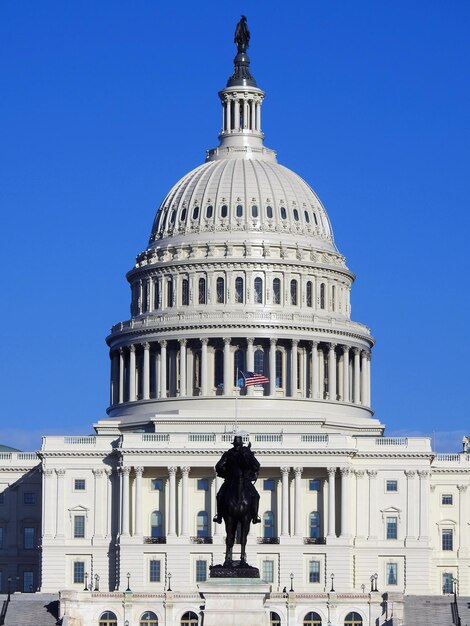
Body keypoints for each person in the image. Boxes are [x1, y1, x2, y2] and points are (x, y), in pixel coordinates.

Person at [213, 435, 261, 524]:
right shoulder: (229, 454)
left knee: (256, 496)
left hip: (245, 480)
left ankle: (255, 515)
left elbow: (256, 465)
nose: (237, 447)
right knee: (219, 495)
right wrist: (226, 473)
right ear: (234, 445)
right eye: (236, 445)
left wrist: (253, 473)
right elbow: (219, 466)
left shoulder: (246, 453)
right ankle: (219, 515)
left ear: (241, 445)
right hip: (230, 480)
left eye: (239, 445)